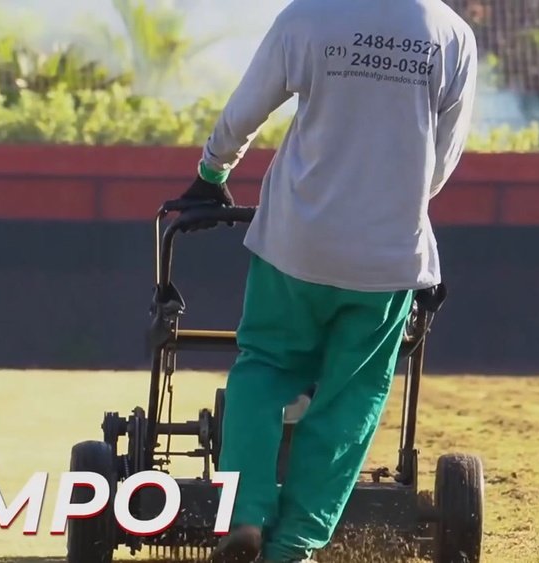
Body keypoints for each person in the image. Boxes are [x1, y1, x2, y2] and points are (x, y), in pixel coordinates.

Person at [175, 1, 478, 561]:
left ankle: (243, 516)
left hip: (295, 245)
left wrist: (212, 172)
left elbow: (247, 109)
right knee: (348, 400)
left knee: (263, 370)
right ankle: (292, 547)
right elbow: (439, 166)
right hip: (385, 259)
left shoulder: (310, 15)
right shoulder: (452, 35)